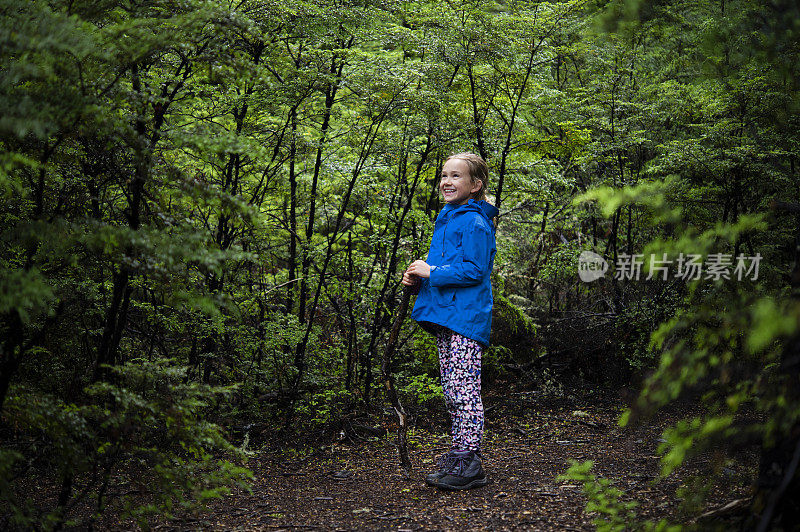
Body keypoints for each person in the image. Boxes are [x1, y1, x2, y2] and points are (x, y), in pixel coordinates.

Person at [401, 152, 498, 490]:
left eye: (456, 176)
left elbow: (474, 271)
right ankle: (460, 455)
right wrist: (419, 280)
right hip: (448, 316)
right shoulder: (448, 218)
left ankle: (469, 462)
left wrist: (433, 271)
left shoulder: (474, 222)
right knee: (452, 391)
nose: (447, 181)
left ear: (475, 185)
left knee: (464, 390)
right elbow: (446, 272)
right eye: (444, 175)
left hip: (466, 320)